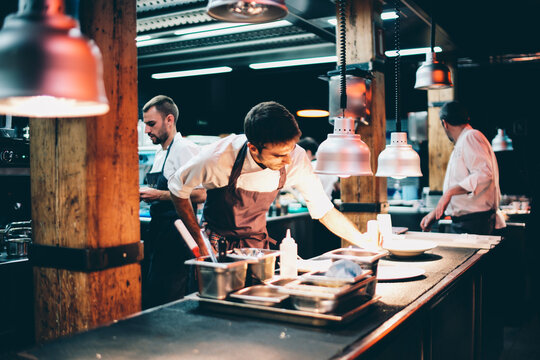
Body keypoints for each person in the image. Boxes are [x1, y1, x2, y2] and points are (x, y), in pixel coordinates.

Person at [168, 101, 369, 254]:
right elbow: (178, 189)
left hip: (257, 247)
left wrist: (363, 242)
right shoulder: (216, 158)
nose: (288, 160)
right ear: (253, 149)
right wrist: (198, 239)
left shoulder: (296, 157)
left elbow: (324, 210)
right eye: (279, 155)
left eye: (290, 150)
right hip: (216, 247)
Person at [139, 95, 206, 308]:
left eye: (151, 124)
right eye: (145, 125)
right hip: (159, 233)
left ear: (169, 120)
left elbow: (200, 193)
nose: (147, 131)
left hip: (178, 234)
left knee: (170, 297)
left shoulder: (184, 148)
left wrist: (157, 195)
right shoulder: (160, 154)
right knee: (154, 294)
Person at [420, 101, 506, 235]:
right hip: (468, 222)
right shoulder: (463, 141)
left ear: (445, 124)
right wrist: (436, 212)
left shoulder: (470, 136)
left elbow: (484, 174)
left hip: (474, 222)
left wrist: (449, 192)